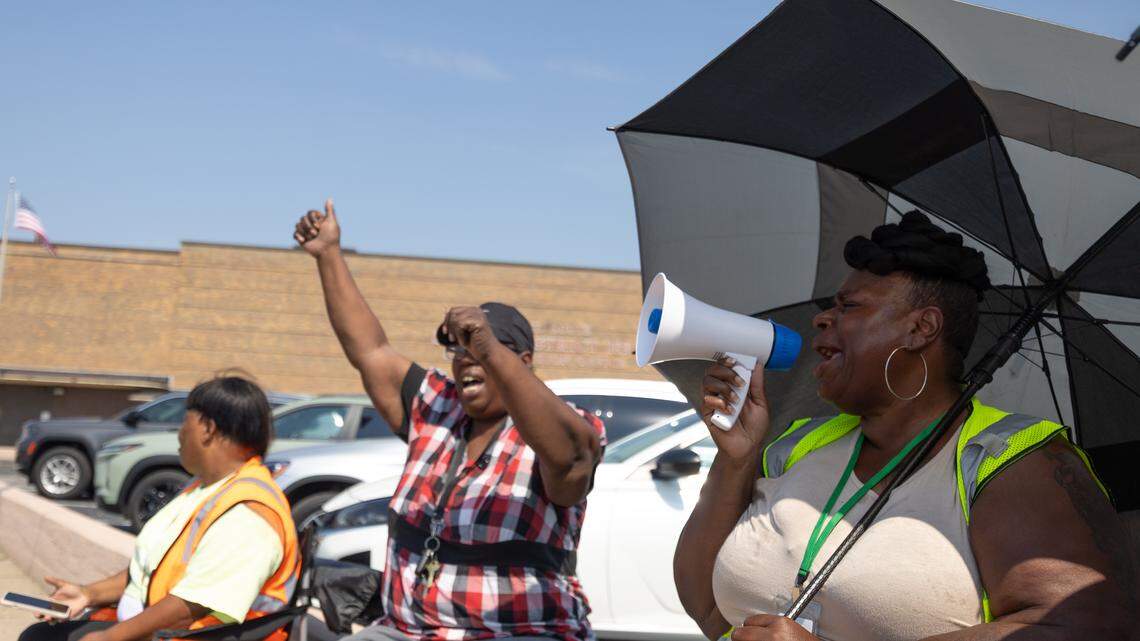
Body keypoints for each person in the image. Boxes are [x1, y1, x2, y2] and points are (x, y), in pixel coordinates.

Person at [675, 211, 1134, 641]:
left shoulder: (1012, 461)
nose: (822, 319)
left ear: (921, 329)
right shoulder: (796, 446)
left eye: (849, 306)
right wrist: (735, 459)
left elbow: (1087, 626)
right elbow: (709, 611)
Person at [293, 200, 606, 641]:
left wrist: (487, 345)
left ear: (523, 361)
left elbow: (573, 458)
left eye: (477, 347)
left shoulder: (561, 425)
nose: (464, 359)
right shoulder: (439, 407)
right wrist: (328, 254)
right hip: (409, 629)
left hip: (522, 631)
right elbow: (371, 351)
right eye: (457, 349)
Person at [19, 377, 300, 641]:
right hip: (155, 627)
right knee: (42, 634)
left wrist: (109, 637)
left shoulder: (249, 515)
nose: (178, 433)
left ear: (207, 428)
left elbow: (186, 611)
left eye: (183, 422)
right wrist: (88, 594)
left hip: (189, 635)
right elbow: (152, 570)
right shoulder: (205, 488)